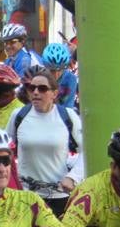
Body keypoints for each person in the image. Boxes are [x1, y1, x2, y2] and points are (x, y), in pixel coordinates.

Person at [7, 65, 83, 211]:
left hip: (59, 196)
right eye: (31, 88)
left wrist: (73, 177)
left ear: (54, 94)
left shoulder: (68, 116)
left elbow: (87, 152)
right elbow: (5, 151)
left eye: (42, 89)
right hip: (26, 196)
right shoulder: (19, 115)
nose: (35, 92)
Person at [41, 42, 79, 108]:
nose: (56, 75)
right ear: (45, 66)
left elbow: (67, 109)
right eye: (52, 70)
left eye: (60, 70)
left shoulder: (70, 79)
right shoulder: (38, 78)